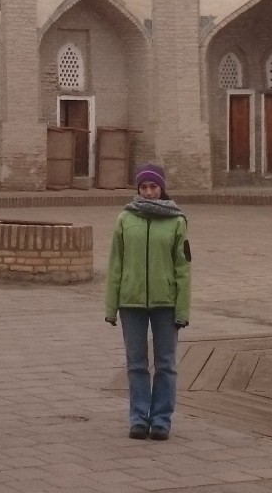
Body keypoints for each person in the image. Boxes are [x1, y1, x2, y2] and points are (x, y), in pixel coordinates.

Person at [104, 163, 191, 440]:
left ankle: (161, 420)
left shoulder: (177, 221)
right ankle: (139, 418)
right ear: (138, 189)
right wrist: (111, 306)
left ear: (162, 188)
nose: (149, 192)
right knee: (136, 364)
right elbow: (115, 264)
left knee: (166, 364)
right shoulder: (125, 219)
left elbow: (183, 269)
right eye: (144, 187)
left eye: (154, 186)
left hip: (166, 303)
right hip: (131, 302)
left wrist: (182, 309)